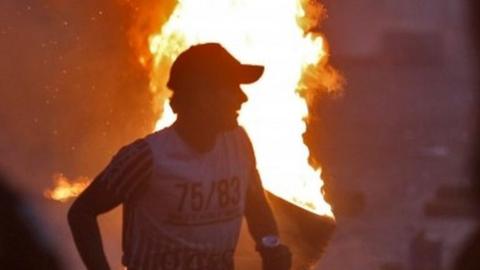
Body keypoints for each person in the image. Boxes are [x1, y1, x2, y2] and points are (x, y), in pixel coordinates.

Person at [68, 43, 292, 270]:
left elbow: (255, 202)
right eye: (232, 87)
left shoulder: (238, 143)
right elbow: (82, 212)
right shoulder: (146, 157)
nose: (242, 98)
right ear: (203, 95)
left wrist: (269, 245)